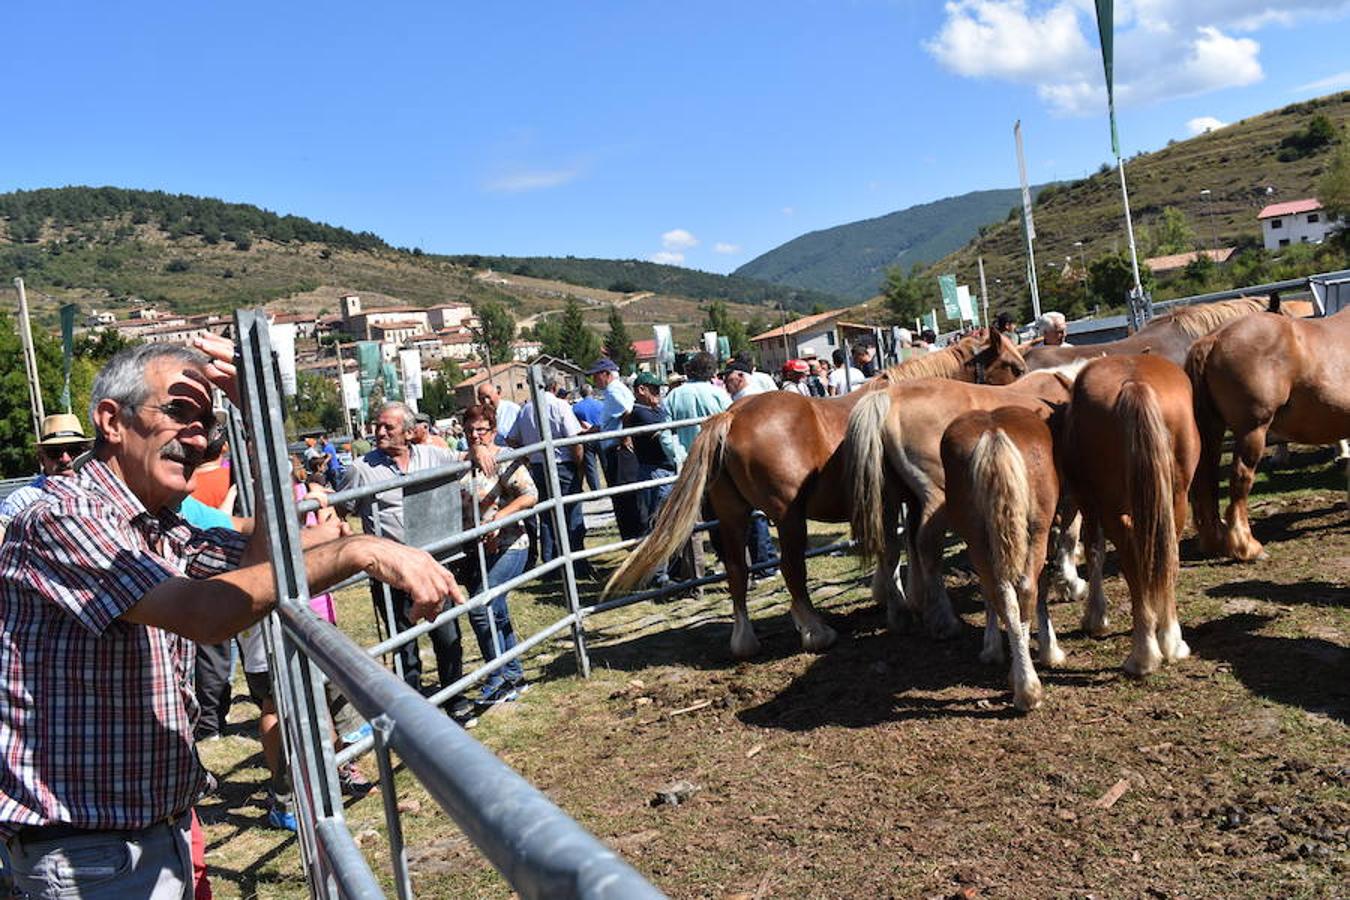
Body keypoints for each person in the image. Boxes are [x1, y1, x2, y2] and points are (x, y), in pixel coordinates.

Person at [0, 341, 460, 899]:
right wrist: (358, 550)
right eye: (179, 413)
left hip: (140, 837)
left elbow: (259, 566)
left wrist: (261, 429)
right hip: (91, 856)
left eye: (208, 424)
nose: (197, 438)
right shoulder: (62, 518)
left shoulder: (155, 523)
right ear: (111, 421)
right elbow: (207, 613)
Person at [339, 401, 471, 715]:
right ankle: (412, 711)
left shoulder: (432, 455)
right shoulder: (362, 469)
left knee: (447, 633)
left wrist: (479, 451)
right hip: (391, 572)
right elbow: (340, 508)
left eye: (389, 427)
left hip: (432, 564)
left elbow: (463, 461)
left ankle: (455, 698)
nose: (379, 432)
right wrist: (349, 535)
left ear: (410, 432)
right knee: (404, 644)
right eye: (377, 425)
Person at [456, 404, 538, 706]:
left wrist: (498, 518)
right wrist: (474, 453)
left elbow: (531, 495)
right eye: (470, 430)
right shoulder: (460, 460)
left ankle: (497, 677)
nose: (476, 435)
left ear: (493, 430)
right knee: (496, 608)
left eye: (482, 430)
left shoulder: (504, 457)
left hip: (510, 544)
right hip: (476, 549)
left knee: (481, 606)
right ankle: (514, 674)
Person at [507, 372, 587, 568]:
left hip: (537, 467)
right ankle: (576, 561)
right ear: (553, 386)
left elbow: (511, 438)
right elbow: (574, 440)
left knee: (546, 515)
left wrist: (527, 456)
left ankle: (550, 562)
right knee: (572, 512)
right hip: (563, 465)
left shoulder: (525, 410)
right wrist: (579, 466)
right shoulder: (560, 406)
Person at [587, 358, 645, 540]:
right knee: (624, 498)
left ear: (606, 374)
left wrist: (626, 436)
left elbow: (628, 411)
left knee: (626, 498)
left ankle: (635, 538)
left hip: (620, 452)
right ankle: (634, 537)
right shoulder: (613, 391)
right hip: (616, 449)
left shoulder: (614, 391)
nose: (594, 380)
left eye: (596, 376)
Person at [0, 413, 93, 521]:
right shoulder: (20, 502)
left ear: (85, 453)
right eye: (55, 452)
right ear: (41, 458)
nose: (66, 459)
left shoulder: (99, 490)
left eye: (74, 450)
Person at [627, 373, 679, 539]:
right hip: (654, 471)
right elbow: (665, 427)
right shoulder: (639, 413)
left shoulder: (653, 410)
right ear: (641, 390)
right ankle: (659, 563)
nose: (659, 393)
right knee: (658, 519)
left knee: (668, 517)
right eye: (654, 389)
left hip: (662, 469)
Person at [663, 351, 729, 463]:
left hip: (687, 460)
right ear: (712, 372)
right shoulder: (720, 395)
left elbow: (664, 433)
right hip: (716, 458)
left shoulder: (673, 396)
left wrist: (677, 455)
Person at [571, 382, 606, 492]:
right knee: (605, 462)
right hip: (601, 435)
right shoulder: (601, 404)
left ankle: (596, 490)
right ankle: (611, 485)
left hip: (586, 437)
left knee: (590, 465)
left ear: (581, 394)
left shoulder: (575, 408)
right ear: (591, 392)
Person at [476, 380, 520, 445]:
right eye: (482, 399)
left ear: (498, 394)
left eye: (488, 397)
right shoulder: (480, 416)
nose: (486, 402)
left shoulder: (513, 410)